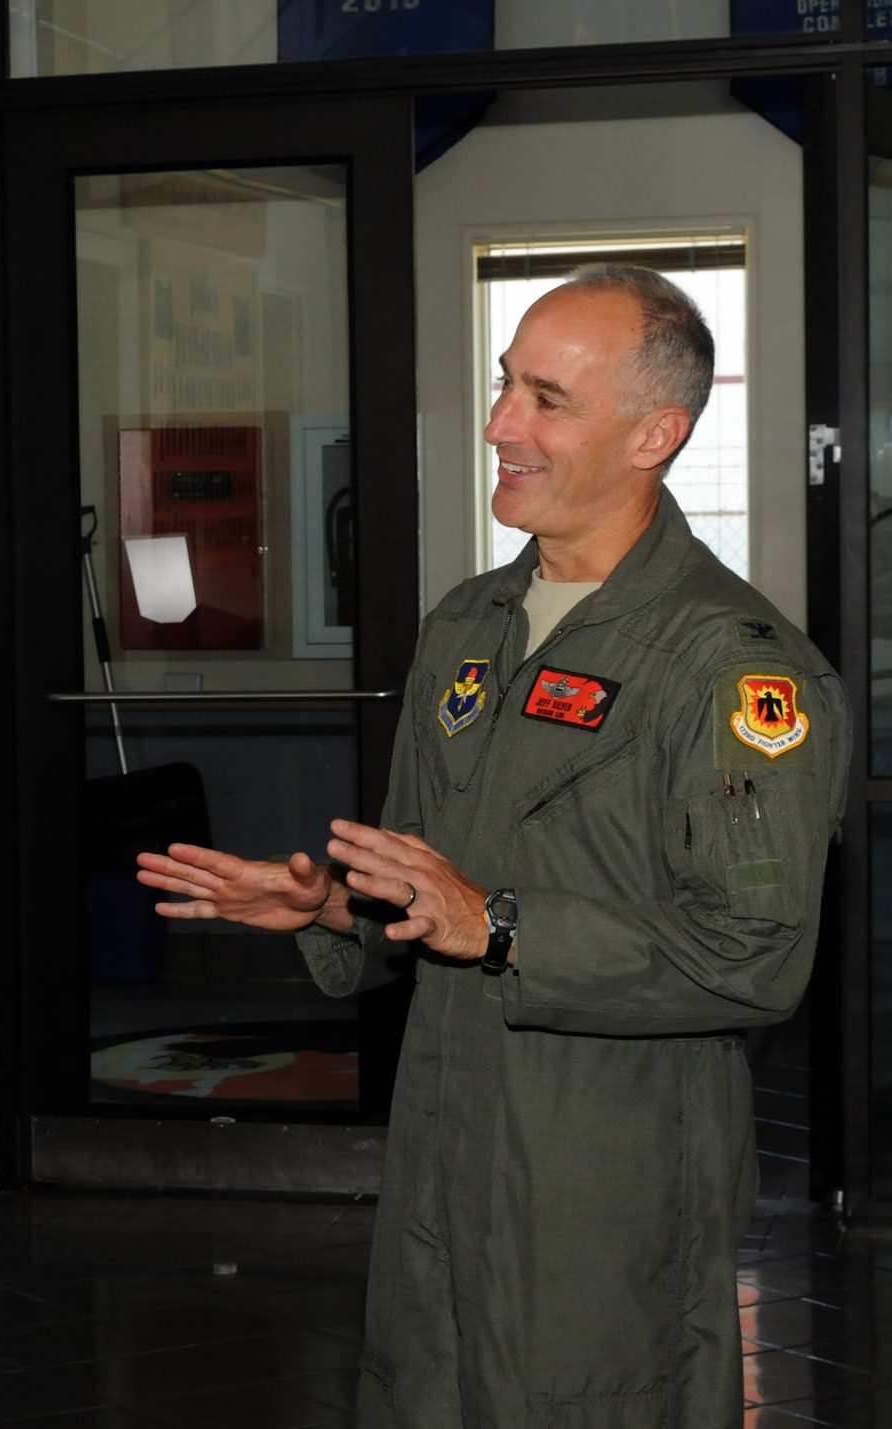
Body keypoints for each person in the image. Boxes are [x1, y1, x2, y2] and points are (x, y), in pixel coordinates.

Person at [137, 265, 849, 1426]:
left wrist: (503, 926)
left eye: (546, 399)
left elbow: (756, 954)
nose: (496, 425)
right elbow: (432, 889)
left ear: (653, 434)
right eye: (503, 384)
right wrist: (331, 907)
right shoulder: (468, 625)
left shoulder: (731, 664)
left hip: (605, 1168)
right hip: (439, 1140)